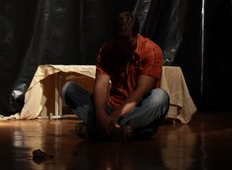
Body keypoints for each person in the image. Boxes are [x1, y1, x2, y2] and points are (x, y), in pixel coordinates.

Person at [61, 11, 170, 141]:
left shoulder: (151, 51)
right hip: (111, 109)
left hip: (138, 110)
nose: (123, 48)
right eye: (119, 43)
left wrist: (113, 118)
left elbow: (141, 91)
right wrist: (100, 114)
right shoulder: (107, 50)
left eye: (128, 44)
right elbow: (101, 85)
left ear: (136, 35)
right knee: (69, 89)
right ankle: (118, 131)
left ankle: (101, 130)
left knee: (160, 97)